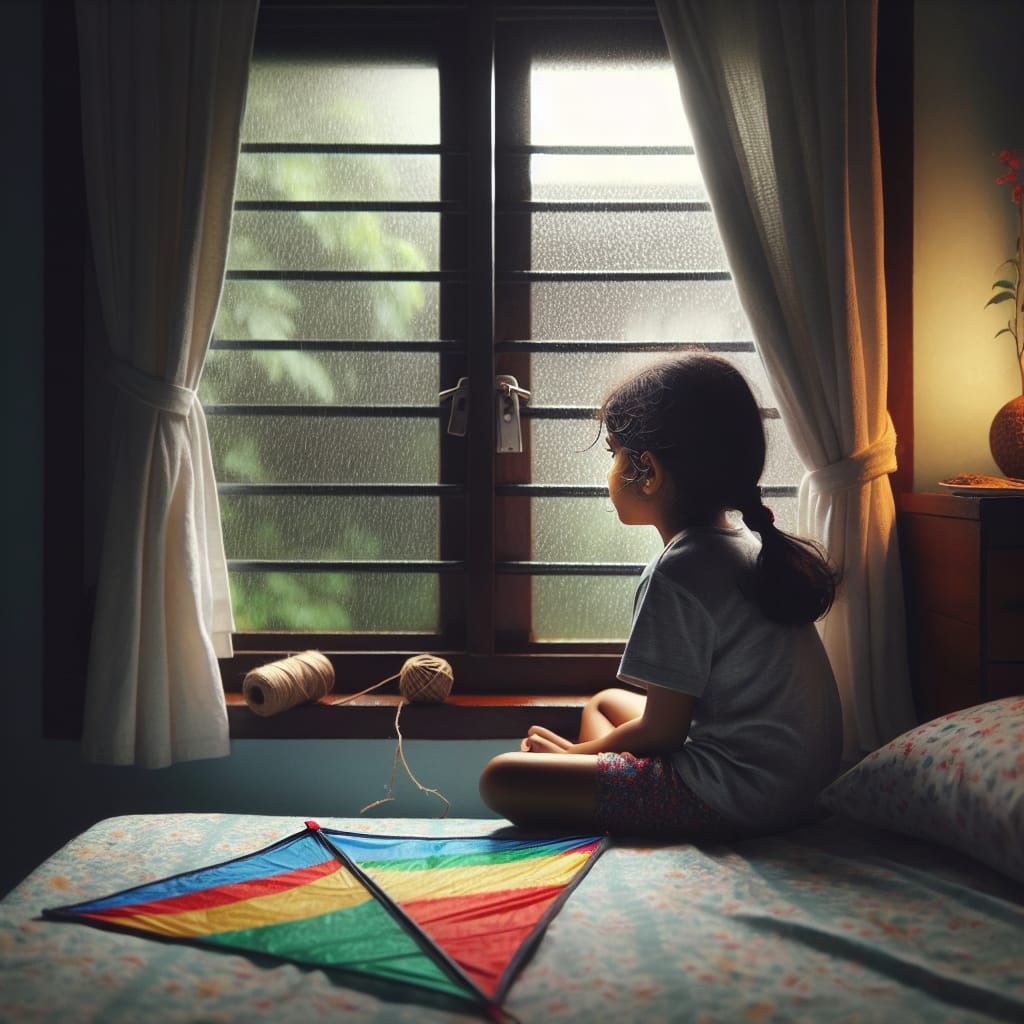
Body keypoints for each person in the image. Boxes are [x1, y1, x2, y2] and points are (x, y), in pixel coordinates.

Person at [479, 355, 843, 840]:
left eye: (614, 453)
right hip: (791, 791)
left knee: (502, 778)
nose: (609, 470)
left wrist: (572, 758)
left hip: (738, 797)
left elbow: (661, 734)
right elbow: (669, 721)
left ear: (647, 472)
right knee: (607, 704)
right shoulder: (744, 548)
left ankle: (617, 805)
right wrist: (591, 760)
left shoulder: (681, 569)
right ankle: (615, 800)